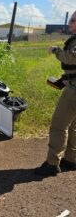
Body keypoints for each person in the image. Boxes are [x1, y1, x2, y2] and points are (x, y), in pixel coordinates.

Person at [35, 11, 76, 176]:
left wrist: (55, 50)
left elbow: (72, 58)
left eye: (73, 20)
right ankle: (71, 160)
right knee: (74, 126)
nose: (70, 23)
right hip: (72, 85)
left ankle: (52, 164)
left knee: (59, 126)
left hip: (73, 92)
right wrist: (63, 79)